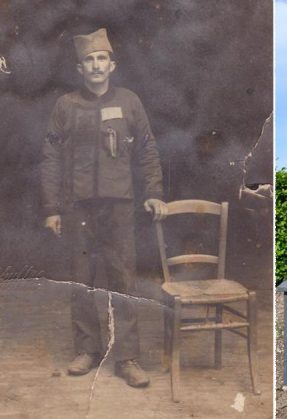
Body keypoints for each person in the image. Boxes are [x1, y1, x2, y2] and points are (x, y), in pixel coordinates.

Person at [41, 28, 167, 388]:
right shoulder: (65, 106)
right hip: (77, 209)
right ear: (79, 68)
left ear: (112, 64)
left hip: (119, 209)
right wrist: (52, 207)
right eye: (88, 60)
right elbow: (49, 157)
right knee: (81, 281)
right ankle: (87, 350)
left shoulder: (129, 102)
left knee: (122, 281)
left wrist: (154, 191)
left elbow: (147, 150)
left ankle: (127, 358)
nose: (96, 66)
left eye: (101, 59)